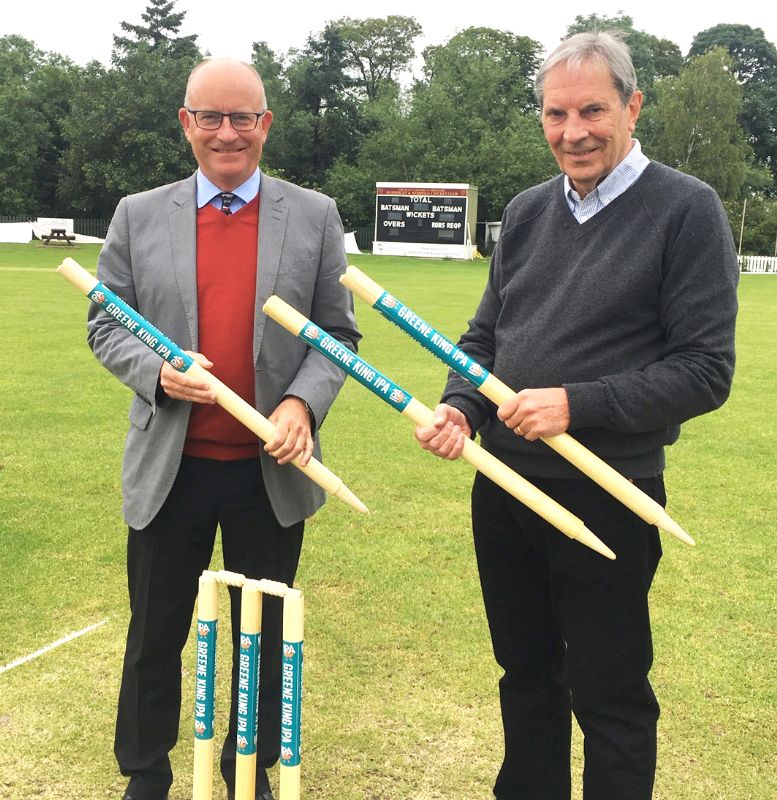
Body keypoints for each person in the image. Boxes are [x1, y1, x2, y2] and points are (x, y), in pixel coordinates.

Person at [415, 31, 738, 800]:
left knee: (608, 689)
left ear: (631, 107)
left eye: (592, 110)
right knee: (524, 674)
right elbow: (485, 336)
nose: (573, 131)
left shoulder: (685, 209)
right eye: (556, 114)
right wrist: (460, 406)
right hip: (503, 485)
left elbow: (704, 370)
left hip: (608, 490)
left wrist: (575, 405)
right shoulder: (527, 212)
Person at [87, 58, 360, 800]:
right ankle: (146, 771)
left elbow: (337, 336)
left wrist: (302, 403)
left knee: (263, 634)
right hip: (170, 467)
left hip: (268, 469)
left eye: (243, 117)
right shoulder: (138, 215)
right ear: (187, 124)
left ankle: (252, 765)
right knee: (155, 635)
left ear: (265, 124)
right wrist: (156, 373)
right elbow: (105, 324)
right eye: (211, 117)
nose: (227, 133)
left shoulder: (313, 215)